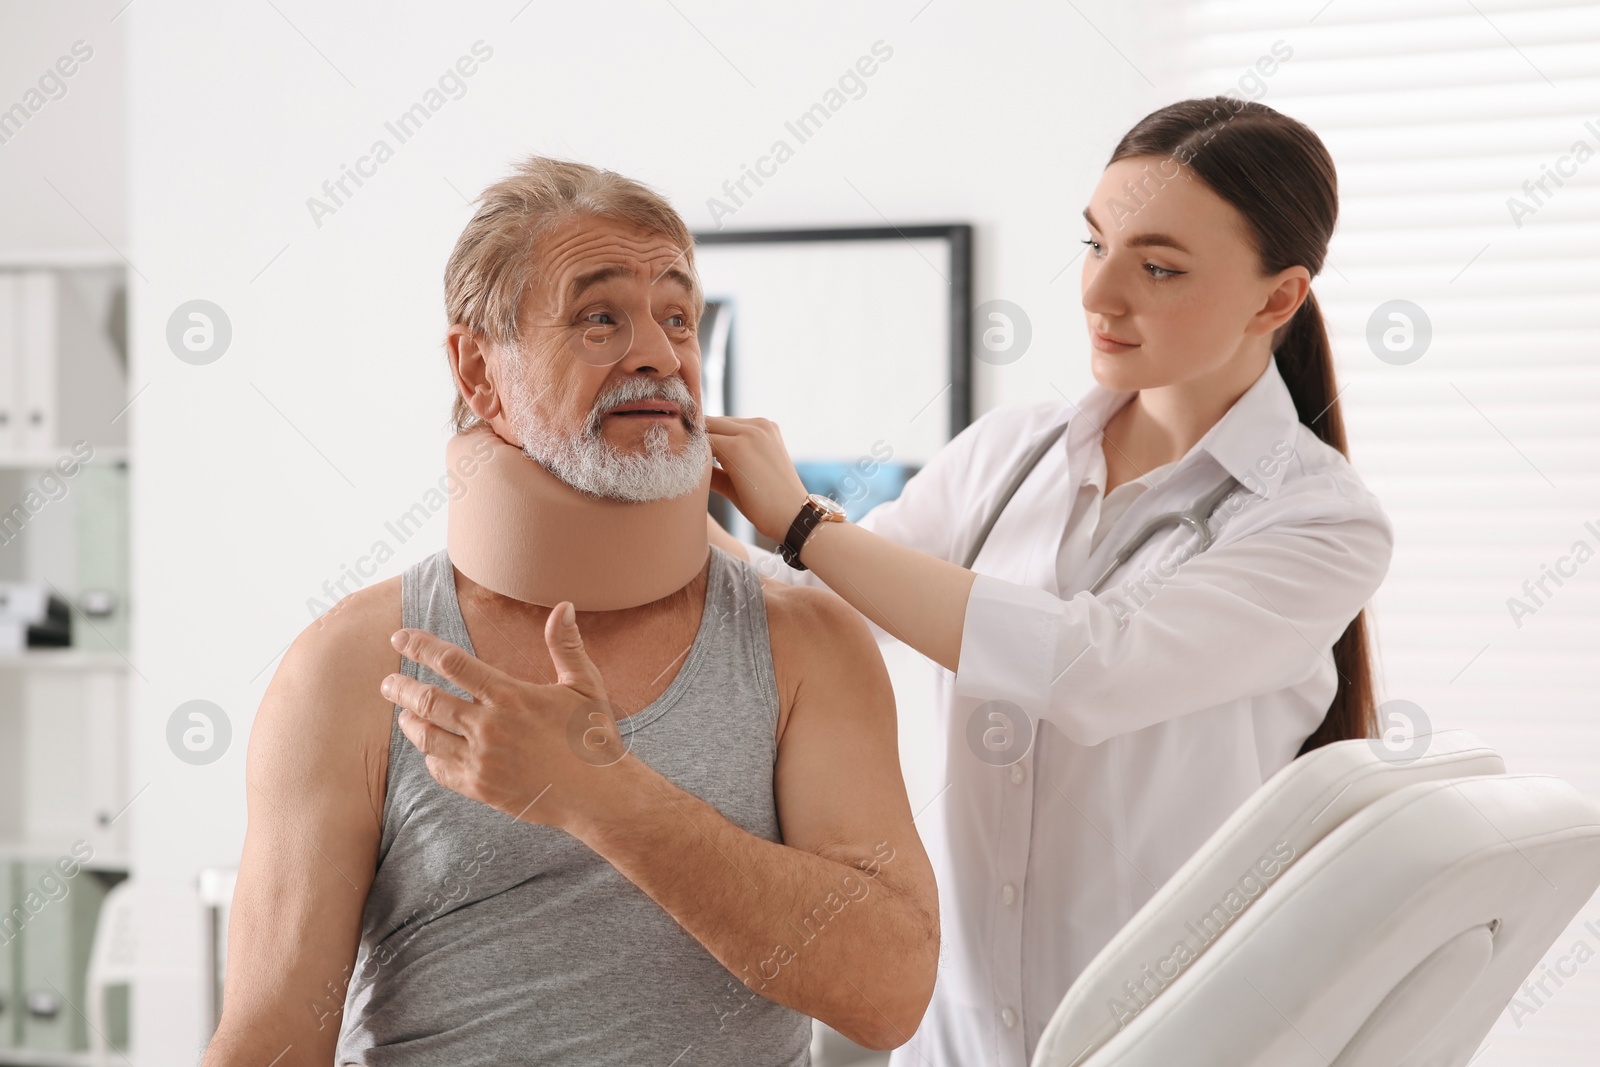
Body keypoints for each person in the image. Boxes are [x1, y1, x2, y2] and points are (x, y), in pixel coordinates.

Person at [705, 96, 1395, 1067]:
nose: (1099, 293)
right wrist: (674, 512)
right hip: (953, 1036)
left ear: (1276, 299)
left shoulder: (1319, 520)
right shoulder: (1010, 449)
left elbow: (1088, 666)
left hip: (1166, 1038)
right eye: (1093, 242)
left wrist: (805, 523)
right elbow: (827, 607)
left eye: (1156, 266)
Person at [202, 158, 938, 1067]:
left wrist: (600, 792)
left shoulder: (804, 644)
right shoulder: (356, 666)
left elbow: (892, 992)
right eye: (601, 318)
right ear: (479, 371)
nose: (661, 354)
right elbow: (271, 1041)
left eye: (678, 316)